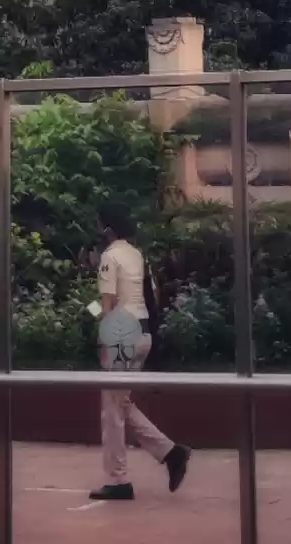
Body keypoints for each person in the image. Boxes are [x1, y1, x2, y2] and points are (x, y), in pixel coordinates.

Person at [90, 203, 190, 502]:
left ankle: (118, 480)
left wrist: (94, 322)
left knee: (111, 410)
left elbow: (106, 307)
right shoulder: (136, 254)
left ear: (108, 229)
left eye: (99, 226)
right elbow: (148, 297)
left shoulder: (109, 257)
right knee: (120, 403)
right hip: (142, 334)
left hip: (120, 336)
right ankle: (171, 452)